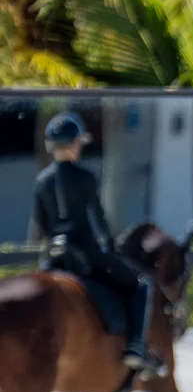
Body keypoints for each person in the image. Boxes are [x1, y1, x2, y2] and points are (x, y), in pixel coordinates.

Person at [29, 111, 165, 377]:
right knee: (140, 284)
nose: (80, 146)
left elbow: (40, 228)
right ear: (73, 144)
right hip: (85, 252)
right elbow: (98, 220)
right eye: (79, 142)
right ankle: (136, 346)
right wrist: (111, 244)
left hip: (54, 256)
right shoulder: (85, 177)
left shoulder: (41, 182)